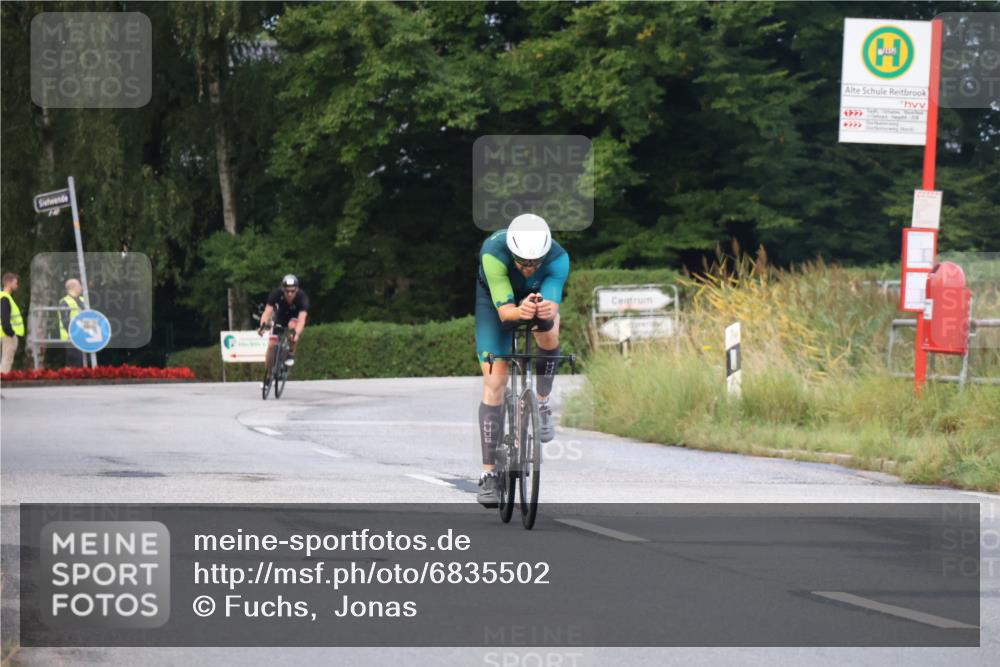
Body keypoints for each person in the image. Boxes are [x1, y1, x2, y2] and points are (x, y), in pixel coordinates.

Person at [474, 214, 569, 506]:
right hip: (495, 303)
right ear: (512, 253)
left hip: (536, 300)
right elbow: (506, 314)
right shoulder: (493, 253)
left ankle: (541, 403)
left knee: (550, 335)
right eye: (522, 263)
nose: (528, 269)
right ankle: (489, 475)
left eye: (535, 263)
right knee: (496, 381)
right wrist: (518, 311)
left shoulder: (558, 258)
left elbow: (551, 310)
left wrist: (541, 310)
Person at [257, 274, 309, 373]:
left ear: (297, 290)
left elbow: (302, 319)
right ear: (283, 289)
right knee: (271, 344)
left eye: (292, 291)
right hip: (280, 317)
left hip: (294, 318)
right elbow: (267, 312)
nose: (290, 294)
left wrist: (296, 334)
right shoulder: (276, 294)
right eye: (287, 291)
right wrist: (262, 326)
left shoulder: (302, 297)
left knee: (292, 328)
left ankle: (291, 353)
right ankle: (268, 376)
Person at [58, 278, 86, 367]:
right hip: (70, 337)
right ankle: (69, 379)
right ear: (73, 287)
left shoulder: (82, 300)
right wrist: (73, 332)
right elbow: (65, 320)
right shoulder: (65, 302)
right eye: (79, 285)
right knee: (74, 360)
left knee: (82, 361)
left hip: (83, 336)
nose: (81, 287)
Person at [1, 272, 24, 374]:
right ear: (9, 282)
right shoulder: (5, 298)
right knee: (6, 362)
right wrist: (11, 333)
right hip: (7, 336)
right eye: (15, 282)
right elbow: (5, 318)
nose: (17, 285)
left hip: (4, 334)